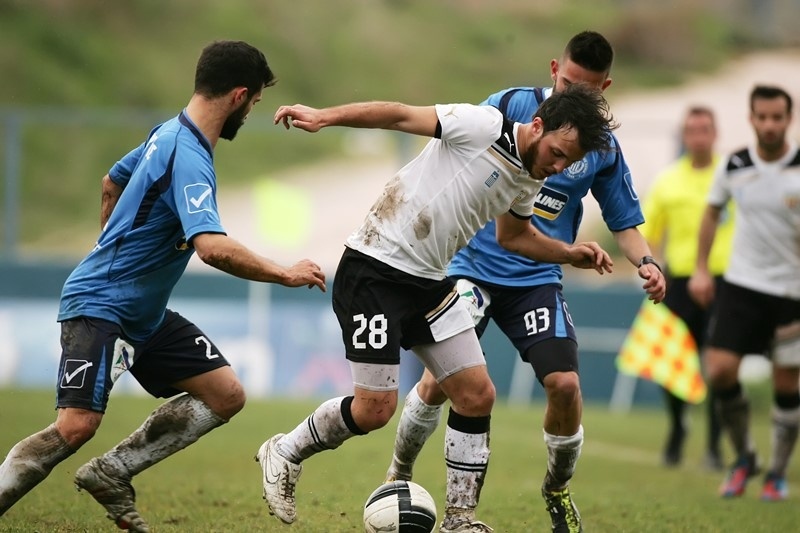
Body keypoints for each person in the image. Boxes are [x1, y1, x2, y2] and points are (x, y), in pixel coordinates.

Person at [256, 83, 617, 533]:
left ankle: (459, 521)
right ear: (538, 126)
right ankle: (285, 451)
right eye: (558, 152)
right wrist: (327, 116)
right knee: (374, 410)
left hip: (428, 282)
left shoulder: (530, 176)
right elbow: (400, 114)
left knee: (476, 394)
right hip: (375, 269)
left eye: (569, 161)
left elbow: (513, 237)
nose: (559, 166)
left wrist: (569, 253)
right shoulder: (484, 125)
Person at [0, 41, 327, 532]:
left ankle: (113, 472)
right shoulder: (189, 154)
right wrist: (284, 273)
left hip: (144, 314)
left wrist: (112, 242)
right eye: (256, 102)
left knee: (225, 394)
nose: (251, 110)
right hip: (101, 304)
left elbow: (111, 180)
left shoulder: (168, 132)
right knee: (75, 427)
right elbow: (211, 247)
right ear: (240, 96)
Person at [382, 31, 665, 533]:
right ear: (555, 69)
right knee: (440, 383)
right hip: (471, 268)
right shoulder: (508, 105)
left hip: (537, 277)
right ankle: (397, 474)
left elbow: (624, 221)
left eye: (590, 90)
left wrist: (648, 264)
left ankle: (556, 490)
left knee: (564, 385)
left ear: (606, 87)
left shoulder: (601, 147)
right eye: (569, 83)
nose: (576, 96)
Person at [688, 85, 800, 501]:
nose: (770, 124)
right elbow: (712, 211)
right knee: (718, 370)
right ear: (752, 119)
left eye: (778, 117)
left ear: (788, 119)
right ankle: (745, 457)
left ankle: (777, 473)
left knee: (787, 384)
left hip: (791, 292)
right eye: (762, 117)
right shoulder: (734, 164)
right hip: (742, 285)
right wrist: (701, 269)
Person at [640, 106, 733, 469]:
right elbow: (648, 234)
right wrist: (651, 269)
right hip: (678, 283)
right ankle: (678, 426)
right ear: (684, 135)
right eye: (692, 130)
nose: (699, 136)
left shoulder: (731, 176)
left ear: (715, 133)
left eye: (705, 129)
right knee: (672, 364)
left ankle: (714, 444)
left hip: (726, 281)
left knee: (721, 364)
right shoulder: (667, 181)